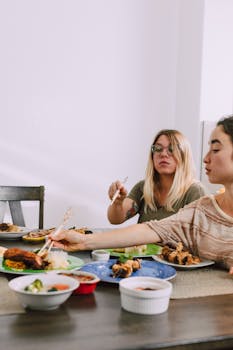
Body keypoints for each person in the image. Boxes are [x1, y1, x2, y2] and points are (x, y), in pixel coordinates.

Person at [50, 115, 233, 271]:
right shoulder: (201, 210)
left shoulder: (195, 191)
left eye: (216, 149)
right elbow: (149, 228)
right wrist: (84, 240)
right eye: (158, 149)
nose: (206, 158)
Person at [107, 129, 205, 224]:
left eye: (172, 149)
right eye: (158, 148)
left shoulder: (195, 191)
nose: (163, 154)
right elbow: (115, 220)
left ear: (184, 155)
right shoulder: (143, 187)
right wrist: (117, 203)